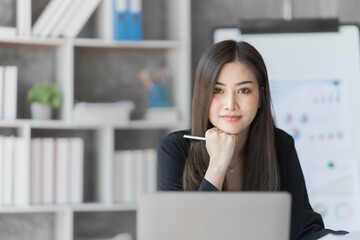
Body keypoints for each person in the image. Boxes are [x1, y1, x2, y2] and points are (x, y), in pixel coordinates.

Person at [157, 40, 348, 240]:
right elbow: (181, 234)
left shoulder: (280, 145)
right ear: (203, 95)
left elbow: (303, 229)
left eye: (244, 90)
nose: (230, 104)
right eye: (218, 90)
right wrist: (217, 165)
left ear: (261, 97)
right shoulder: (174, 149)